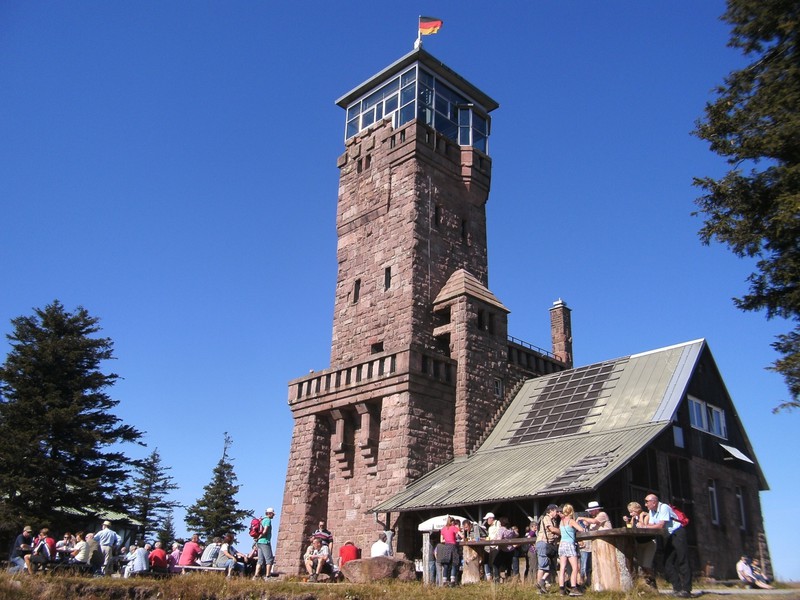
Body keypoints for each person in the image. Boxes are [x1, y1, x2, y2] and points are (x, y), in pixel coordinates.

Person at [642, 493, 691, 597]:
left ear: (654, 502)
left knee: (682, 560)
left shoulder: (664, 507)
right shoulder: (652, 511)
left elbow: (660, 525)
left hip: (678, 533)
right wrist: (643, 525)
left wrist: (644, 526)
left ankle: (686, 590)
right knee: (667, 562)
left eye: (646, 502)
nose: (645, 504)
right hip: (669, 536)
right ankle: (677, 588)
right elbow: (651, 524)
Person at [577, 501, 611, 587]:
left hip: (606, 543)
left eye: (591, 511)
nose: (590, 513)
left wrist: (582, 518)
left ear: (596, 510)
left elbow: (594, 521)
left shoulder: (602, 514)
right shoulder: (594, 518)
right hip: (597, 545)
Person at [623, 501, 656, 587]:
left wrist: (640, 517)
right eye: (630, 512)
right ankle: (648, 583)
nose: (631, 514)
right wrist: (627, 522)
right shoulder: (634, 518)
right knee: (641, 565)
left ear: (637, 509)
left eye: (632, 512)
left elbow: (643, 527)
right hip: (640, 543)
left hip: (649, 542)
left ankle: (653, 580)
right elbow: (630, 528)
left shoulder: (645, 515)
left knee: (646, 564)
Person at [558, 504, 586, 596]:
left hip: (562, 545)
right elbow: (581, 529)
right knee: (575, 568)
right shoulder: (571, 521)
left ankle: (561, 588)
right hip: (569, 544)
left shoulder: (561, 522)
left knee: (562, 568)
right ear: (571, 511)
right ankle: (574, 588)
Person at [535, 504, 560, 594]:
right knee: (542, 566)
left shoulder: (553, 520)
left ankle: (541, 582)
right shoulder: (546, 518)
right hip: (543, 543)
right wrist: (564, 531)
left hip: (548, 544)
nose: (557, 513)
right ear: (551, 511)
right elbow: (552, 529)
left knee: (550, 566)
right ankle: (539, 587)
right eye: (556, 511)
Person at [436, 516, 461, 586]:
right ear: (452, 522)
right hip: (453, 547)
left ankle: (444, 581)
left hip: (446, 546)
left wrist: (447, 540)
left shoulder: (443, 529)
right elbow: (461, 535)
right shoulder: (453, 527)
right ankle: (452, 581)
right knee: (454, 563)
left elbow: (441, 540)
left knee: (446, 564)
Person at [253, 507, 275, 579]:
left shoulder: (262, 520)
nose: (273, 515)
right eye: (273, 514)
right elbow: (265, 531)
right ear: (270, 513)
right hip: (265, 542)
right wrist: (259, 537)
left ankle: (256, 576)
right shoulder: (268, 520)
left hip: (259, 542)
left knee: (260, 560)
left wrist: (257, 538)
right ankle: (268, 576)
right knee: (269, 559)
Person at [482, 512, 501, 581]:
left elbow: (499, 532)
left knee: (495, 562)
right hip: (491, 546)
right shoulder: (489, 528)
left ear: (491, 518)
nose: (487, 521)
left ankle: (497, 578)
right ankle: (494, 577)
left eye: (487, 519)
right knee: (492, 563)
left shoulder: (497, 523)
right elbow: (490, 537)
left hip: (496, 546)